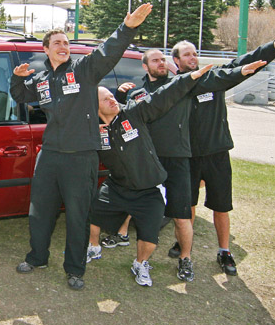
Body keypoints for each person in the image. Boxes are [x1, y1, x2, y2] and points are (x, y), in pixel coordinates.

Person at [90, 48, 268, 282]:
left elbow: (218, 77)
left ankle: (185, 258)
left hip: (177, 159)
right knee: (131, 199)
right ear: (145, 66)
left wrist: (241, 71)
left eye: (163, 59)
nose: (161, 63)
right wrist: (121, 96)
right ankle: (120, 236)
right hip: (148, 159)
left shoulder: (179, 86)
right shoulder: (137, 94)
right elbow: (119, 117)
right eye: (155, 60)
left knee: (182, 215)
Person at [11, 3, 153, 291]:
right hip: (50, 156)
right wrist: (17, 77)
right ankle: (37, 257)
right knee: (40, 212)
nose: (63, 46)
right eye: (57, 43)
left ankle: (75, 269)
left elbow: (108, 51)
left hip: (80, 157)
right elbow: (21, 96)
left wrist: (127, 28)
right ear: (46, 49)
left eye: (66, 42)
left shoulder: (84, 70)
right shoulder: (42, 80)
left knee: (78, 217)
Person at [171, 32, 275, 276]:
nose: (193, 57)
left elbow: (241, 63)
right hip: (188, 156)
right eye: (187, 54)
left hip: (217, 154)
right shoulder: (176, 86)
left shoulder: (214, 77)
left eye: (195, 53)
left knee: (221, 206)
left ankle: (224, 251)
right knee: (188, 205)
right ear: (176, 60)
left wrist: (273, 46)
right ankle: (183, 243)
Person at [91, 63, 215, 287]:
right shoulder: (93, 131)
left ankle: (140, 263)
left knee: (149, 238)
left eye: (112, 96)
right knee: (91, 215)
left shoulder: (133, 112)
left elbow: (160, 97)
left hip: (147, 189)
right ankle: (93, 247)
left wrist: (188, 78)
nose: (112, 100)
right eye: (105, 99)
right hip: (117, 186)